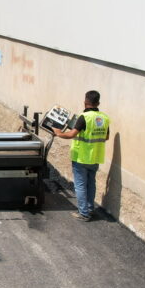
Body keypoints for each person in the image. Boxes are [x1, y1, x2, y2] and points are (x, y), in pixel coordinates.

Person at [55, 90, 111, 222]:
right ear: (98, 103)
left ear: (85, 102)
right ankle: (90, 208)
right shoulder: (104, 118)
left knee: (80, 185)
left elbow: (71, 134)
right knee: (91, 184)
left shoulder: (84, 117)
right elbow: (106, 136)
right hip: (95, 157)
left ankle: (84, 213)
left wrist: (58, 133)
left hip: (81, 157)